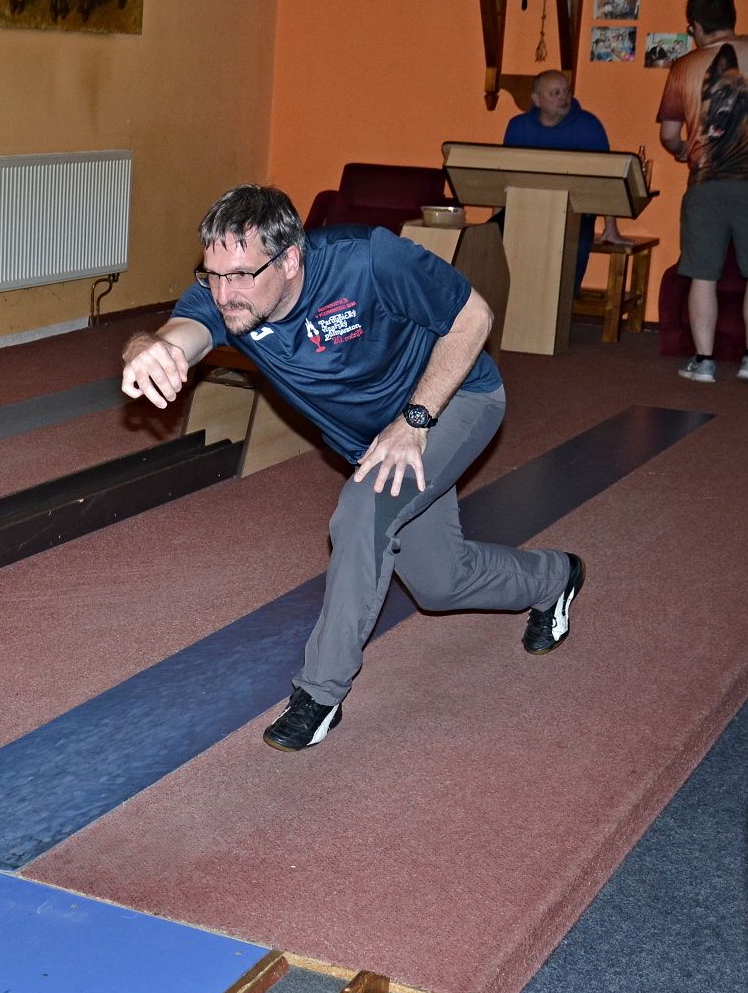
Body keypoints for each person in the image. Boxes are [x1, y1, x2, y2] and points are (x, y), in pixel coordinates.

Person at [120, 185, 584, 752]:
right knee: (440, 582)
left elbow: (474, 318)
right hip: (376, 441)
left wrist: (414, 420)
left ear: (290, 260)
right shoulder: (227, 301)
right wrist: (151, 350)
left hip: (453, 402)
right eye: (213, 275)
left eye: (241, 275)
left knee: (363, 512)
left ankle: (320, 694)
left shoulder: (369, 259)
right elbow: (181, 337)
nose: (224, 293)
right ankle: (554, 577)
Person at [658, 0, 748, 385]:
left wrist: (681, 149)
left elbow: (669, 135)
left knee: (704, 273)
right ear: (732, 17)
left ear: (695, 26)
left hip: (706, 184)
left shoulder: (684, 66)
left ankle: (703, 361)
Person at [502, 70, 624, 294]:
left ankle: (563, 300)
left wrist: (611, 226)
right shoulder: (518, 126)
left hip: (577, 210)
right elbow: (504, 177)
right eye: (555, 93)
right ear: (537, 99)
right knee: (494, 237)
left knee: (575, 245)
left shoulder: (589, 126)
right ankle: (510, 298)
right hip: (527, 207)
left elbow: (607, 178)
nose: (564, 97)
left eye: (566, 91)